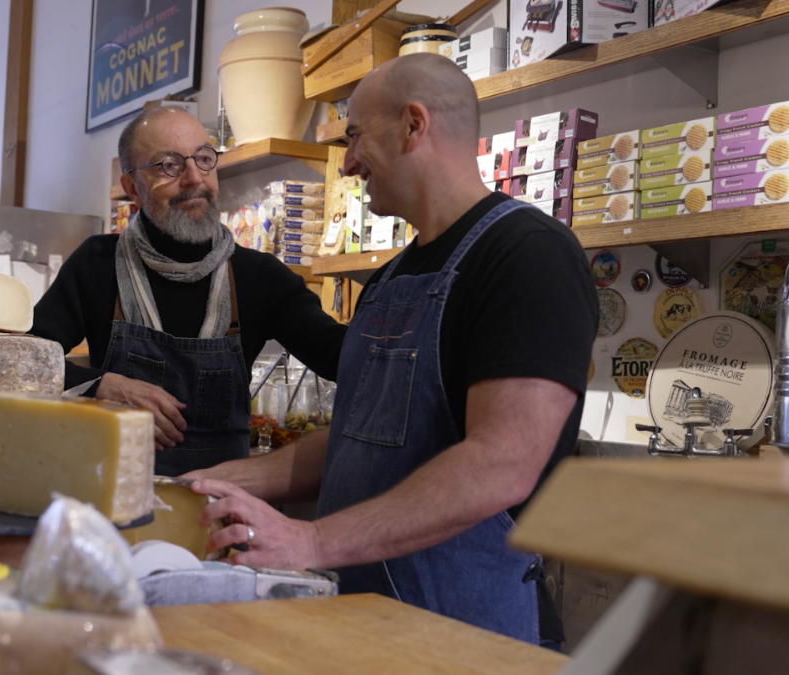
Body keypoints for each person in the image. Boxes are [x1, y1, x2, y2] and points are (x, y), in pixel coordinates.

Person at [184, 53, 597, 645]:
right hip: (364, 617)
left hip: (468, 634)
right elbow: (359, 436)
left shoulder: (528, 255)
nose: (348, 163)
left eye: (354, 136)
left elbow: (503, 461)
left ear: (413, 124)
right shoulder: (392, 275)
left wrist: (313, 540)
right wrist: (214, 486)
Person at [31, 107, 347, 476]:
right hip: (116, 502)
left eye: (204, 158)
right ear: (132, 187)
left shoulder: (257, 277)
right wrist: (103, 385)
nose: (195, 178)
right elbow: (25, 359)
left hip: (219, 508)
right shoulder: (97, 265)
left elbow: (342, 357)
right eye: (169, 165)